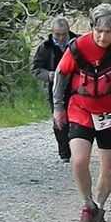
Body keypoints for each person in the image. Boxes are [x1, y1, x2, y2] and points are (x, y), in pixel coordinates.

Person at [53, 3, 111, 222]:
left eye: (109, 32)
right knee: (79, 161)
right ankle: (87, 204)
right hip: (80, 111)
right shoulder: (78, 47)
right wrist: (58, 108)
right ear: (91, 28)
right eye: (99, 31)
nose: (103, 37)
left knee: (110, 167)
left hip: (110, 114)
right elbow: (62, 75)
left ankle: (99, 209)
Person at [31, 18, 77, 162]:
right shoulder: (45, 47)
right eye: (58, 34)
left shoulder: (77, 43)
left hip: (76, 87)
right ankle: (64, 153)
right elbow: (35, 69)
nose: (61, 38)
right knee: (59, 120)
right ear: (52, 33)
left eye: (64, 34)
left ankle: (78, 150)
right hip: (53, 88)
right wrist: (50, 75)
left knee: (76, 119)